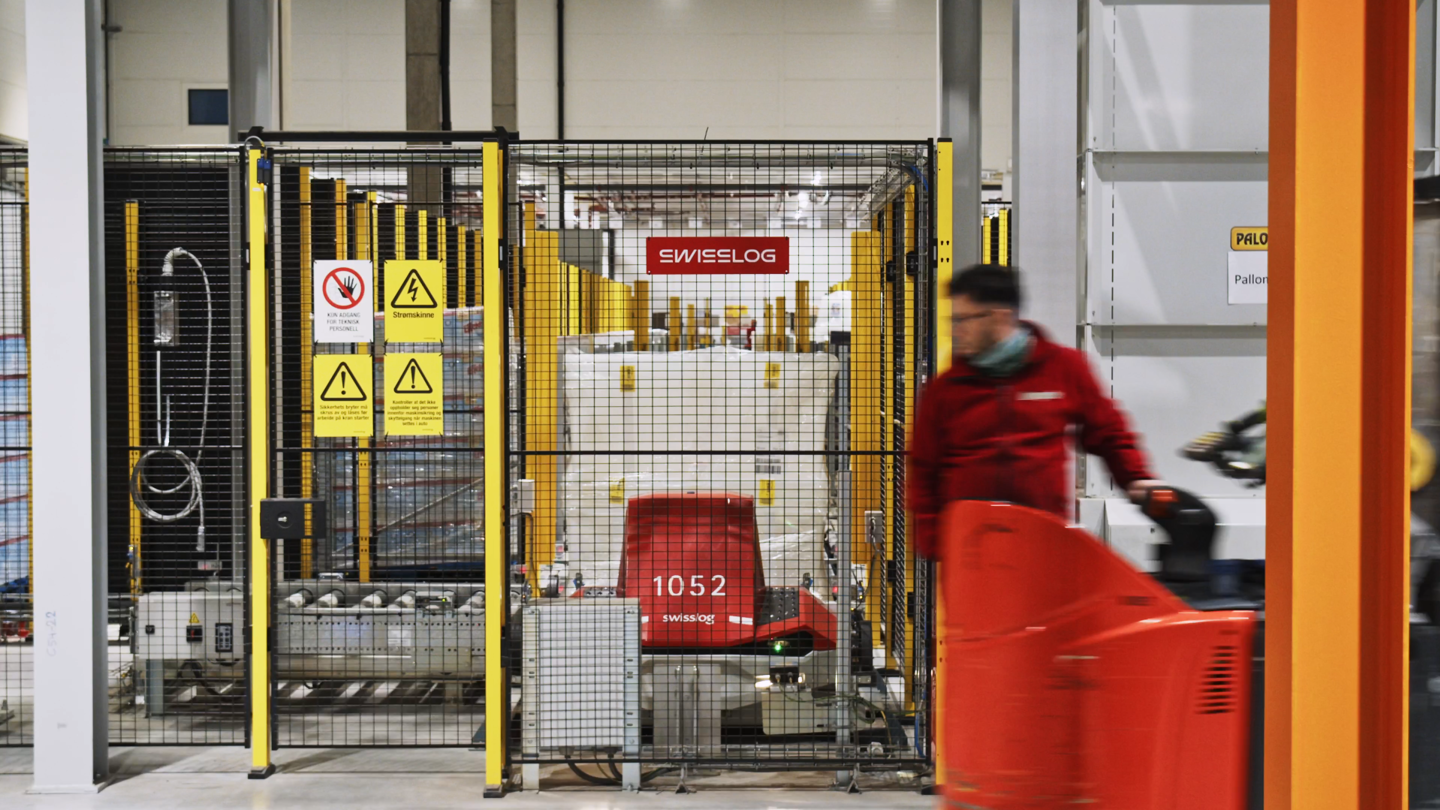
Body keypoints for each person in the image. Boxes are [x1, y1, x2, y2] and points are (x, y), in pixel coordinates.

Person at [907, 264, 1162, 559]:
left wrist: (1136, 479)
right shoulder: (946, 390)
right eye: (953, 320)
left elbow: (1108, 432)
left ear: (999, 316)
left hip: (1044, 545)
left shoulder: (1063, 368)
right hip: (972, 555)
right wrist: (935, 542)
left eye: (963, 319)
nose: (955, 331)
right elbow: (924, 469)